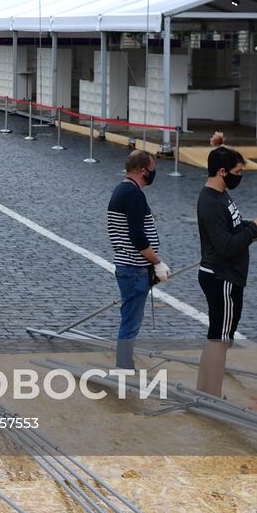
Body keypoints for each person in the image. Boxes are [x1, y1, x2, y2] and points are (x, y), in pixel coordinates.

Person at [195, 145, 257, 397]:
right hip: (222, 278)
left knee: (217, 336)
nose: (240, 176)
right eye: (238, 172)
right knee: (220, 339)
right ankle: (212, 394)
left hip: (225, 277)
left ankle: (205, 391)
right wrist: (254, 229)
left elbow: (233, 228)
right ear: (222, 172)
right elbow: (226, 246)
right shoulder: (210, 201)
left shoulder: (220, 195)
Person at [106, 150, 169, 371]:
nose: (154, 174)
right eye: (152, 170)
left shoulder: (123, 190)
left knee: (129, 318)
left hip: (130, 266)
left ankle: (125, 362)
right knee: (131, 323)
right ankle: (124, 366)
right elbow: (137, 236)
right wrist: (157, 262)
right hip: (133, 268)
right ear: (143, 170)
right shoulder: (133, 194)